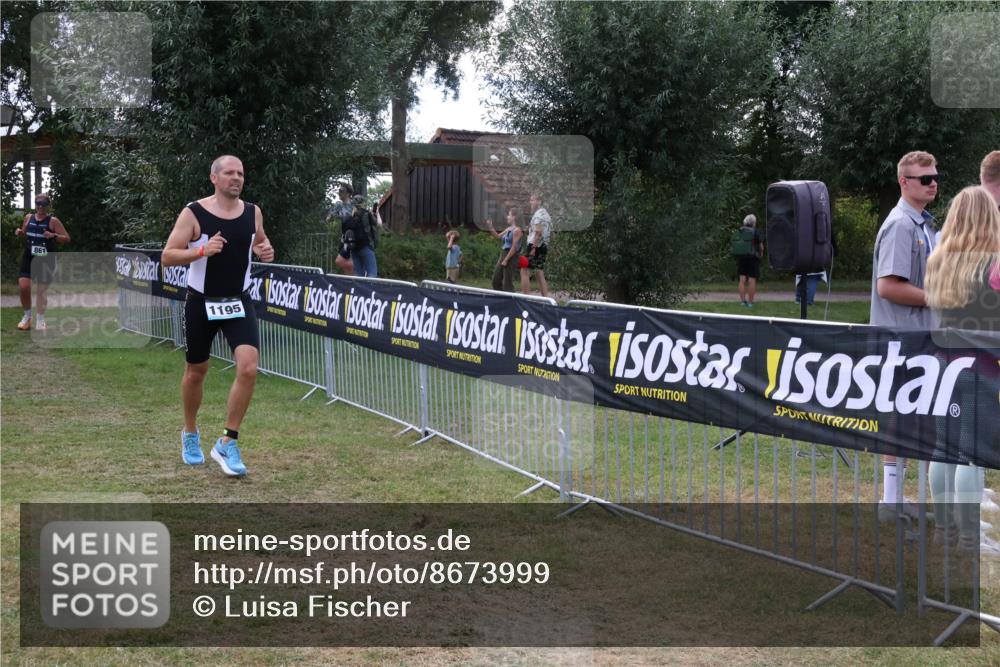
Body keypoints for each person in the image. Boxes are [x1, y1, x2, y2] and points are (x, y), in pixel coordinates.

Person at [161, 155, 275, 477]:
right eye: (229, 173)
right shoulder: (194, 212)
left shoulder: (253, 212)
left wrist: (265, 250)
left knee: (249, 367)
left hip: (238, 301)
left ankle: (228, 440)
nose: (236, 178)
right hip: (200, 302)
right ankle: (190, 433)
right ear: (214, 178)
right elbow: (167, 256)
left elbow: (262, 243)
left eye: (240, 173)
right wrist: (201, 250)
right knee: (197, 371)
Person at [925, 185, 1000, 554]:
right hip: (980, 367)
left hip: (941, 364)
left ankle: (944, 531)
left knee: (943, 448)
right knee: (972, 452)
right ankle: (970, 539)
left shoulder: (938, 259)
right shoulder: (994, 264)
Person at [870, 150, 939, 521]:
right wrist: (940, 298)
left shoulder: (923, 224)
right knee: (899, 418)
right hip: (900, 339)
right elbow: (888, 287)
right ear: (904, 182)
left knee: (924, 419)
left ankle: (914, 499)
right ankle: (890, 500)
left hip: (920, 337)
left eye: (935, 177)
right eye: (924, 178)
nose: (932, 184)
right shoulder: (900, 224)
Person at [14, 192, 70, 331]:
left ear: (48, 206)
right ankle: (27, 317)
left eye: (43, 204)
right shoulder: (28, 217)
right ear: (35, 205)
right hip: (29, 256)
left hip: (46, 258)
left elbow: (67, 238)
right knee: (24, 287)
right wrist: (20, 232)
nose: (40, 207)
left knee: (41, 290)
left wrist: (53, 235)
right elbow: (24, 232)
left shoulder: (53, 221)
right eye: (38, 204)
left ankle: (40, 320)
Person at [521, 193, 551, 297]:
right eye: (531, 200)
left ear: (539, 202)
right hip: (544, 246)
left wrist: (533, 247)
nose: (531, 202)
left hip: (535, 245)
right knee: (539, 272)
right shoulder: (546, 214)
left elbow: (538, 232)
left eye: (533, 200)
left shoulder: (538, 215)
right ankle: (546, 299)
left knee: (523, 269)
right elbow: (550, 232)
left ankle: (526, 298)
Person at [486, 208, 523, 292]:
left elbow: (514, 247)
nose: (507, 217)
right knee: (496, 279)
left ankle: (511, 300)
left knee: (507, 282)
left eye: (509, 215)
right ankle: (501, 297)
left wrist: (506, 260)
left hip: (511, 256)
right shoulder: (509, 228)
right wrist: (490, 226)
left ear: (514, 217)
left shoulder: (517, 230)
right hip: (504, 253)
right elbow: (498, 236)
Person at [343, 194, 378, 277]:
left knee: (359, 275)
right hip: (366, 246)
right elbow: (376, 223)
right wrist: (374, 213)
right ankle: (369, 290)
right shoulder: (366, 213)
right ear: (362, 203)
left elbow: (345, 228)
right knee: (372, 273)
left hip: (354, 247)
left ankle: (360, 290)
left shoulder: (349, 216)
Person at [734, 214, 764, 308]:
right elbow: (761, 246)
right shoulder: (756, 232)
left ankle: (743, 302)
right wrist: (761, 254)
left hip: (742, 257)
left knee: (742, 280)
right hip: (753, 258)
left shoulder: (740, 231)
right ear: (754, 222)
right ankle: (750, 303)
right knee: (752, 280)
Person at [326, 183, 355, 275]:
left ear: (348, 193)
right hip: (344, 237)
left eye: (341, 191)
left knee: (340, 261)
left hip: (352, 237)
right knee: (344, 264)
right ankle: (350, 284)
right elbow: (330, 216)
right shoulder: (339, 205)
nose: (339, 193)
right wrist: (330, 216)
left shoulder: (353, 205)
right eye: (339, 191)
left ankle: (357, 276)